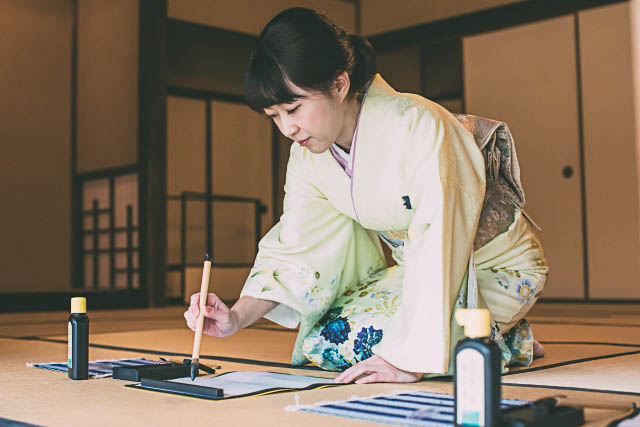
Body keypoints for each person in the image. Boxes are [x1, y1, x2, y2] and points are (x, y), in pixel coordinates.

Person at [184, 7, 548, 384]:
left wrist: (407, 360)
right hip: (420, 271)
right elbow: (299, 245)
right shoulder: (310, 157)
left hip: (495, 266)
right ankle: (499, 338)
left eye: (293, 108)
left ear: (339, 85)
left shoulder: (421, 125)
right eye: (273, 116)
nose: (287, 128)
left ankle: (485, 335)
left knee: (376, 344)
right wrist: (237, 316)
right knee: (325, 338)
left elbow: (439, 239)